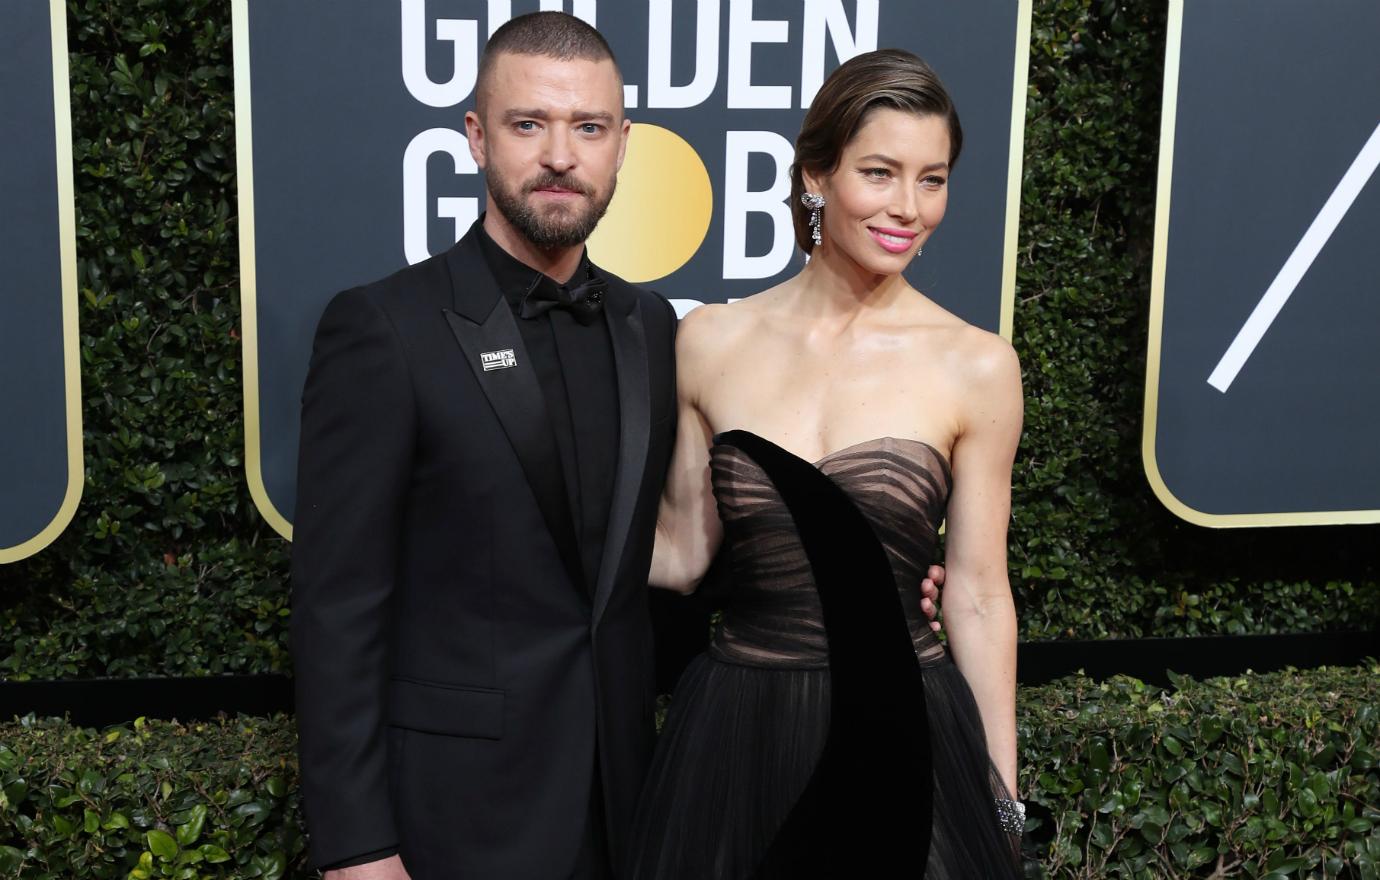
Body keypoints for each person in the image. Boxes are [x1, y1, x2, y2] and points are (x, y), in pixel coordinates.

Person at [289, 13, 674, 880]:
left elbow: (658, 556)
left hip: (625, 810)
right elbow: (338, 608)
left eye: (589, 127)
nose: (560, 155)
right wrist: (356, 847)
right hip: (456, 819)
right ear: (475, 136)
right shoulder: (383, 328)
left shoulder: (648, 325)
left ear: (622, 145)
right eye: (527, 123)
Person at [629, 49, 1024, 877]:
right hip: (738, 727)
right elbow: (678, 553)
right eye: (880, 173)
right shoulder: (707, 339)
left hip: (904, 725)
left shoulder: (977, 365)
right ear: (816, 174)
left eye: (933, 179)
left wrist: (1003, 798)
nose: (909, 209)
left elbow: (981, 594)